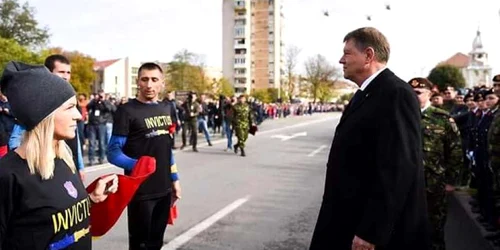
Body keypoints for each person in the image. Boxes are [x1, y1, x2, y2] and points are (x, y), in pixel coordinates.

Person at [309, 27, 430, 250]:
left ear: (368, 55)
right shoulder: (367, 93)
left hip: (365, 228)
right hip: (348, 216)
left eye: (347, 53)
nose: (340, 60)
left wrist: (371, 231)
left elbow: (397, 168)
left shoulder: (395, 94)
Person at [0, 61, 118, 249]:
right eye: (69, 107)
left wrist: (92, 199)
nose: (78, 116)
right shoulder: (8, 175)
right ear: (44, 115)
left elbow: (54, 218)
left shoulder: (64, 158)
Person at [107, 62, 181, 250]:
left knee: (156, 243)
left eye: (154, 80)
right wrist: (138, 165)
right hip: (140, 191)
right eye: (144, 79)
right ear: (137, 82)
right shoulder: (127, 111)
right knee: (140, 245)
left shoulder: (167, 108)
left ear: (162, 83)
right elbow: (113, 152)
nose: (149, 85)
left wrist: (175, 179)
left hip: (164, 189)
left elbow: (167, 148)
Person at [8, 54, 85, 180]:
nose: (65, 76)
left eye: (68, 72)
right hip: (45, 171)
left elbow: (74, 140)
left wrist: (80, 166)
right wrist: (30, 167)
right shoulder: (37, 103)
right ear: (49, 72)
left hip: (67, 166)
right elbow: (16, 140)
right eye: (61, 72)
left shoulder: (69, 95)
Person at [409, 77, 463, 250]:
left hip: (434, 184)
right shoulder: (401, 116)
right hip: (406, 185)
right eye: (411, 93)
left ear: (430, 94)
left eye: (418, 93)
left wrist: (451, 180)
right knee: (407, 232)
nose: (414, 96)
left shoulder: (442, 119)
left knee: (434, 232)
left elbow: (454, 151)